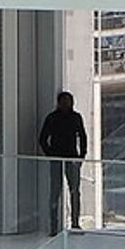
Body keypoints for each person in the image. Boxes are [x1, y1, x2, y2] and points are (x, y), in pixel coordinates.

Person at [36, 90, 91, 232]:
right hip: (57, 159)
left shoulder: (76, 117)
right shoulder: (52, 118)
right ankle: (54, 226)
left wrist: (81, 156)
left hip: (72, 159)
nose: (67, 104)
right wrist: (50, 155)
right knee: (55, 191)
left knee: (74, 191)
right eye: (64, 102)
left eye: (69, 102)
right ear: (59, 103)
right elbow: (43, 139)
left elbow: (83, 137)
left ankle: (75, 223)